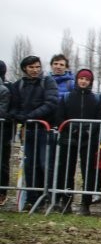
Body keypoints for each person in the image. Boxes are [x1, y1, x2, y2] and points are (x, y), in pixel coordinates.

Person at [8, 56, 59, 209]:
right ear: (25, 69)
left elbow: (51, 103)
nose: (35, 70)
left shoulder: (48, 82)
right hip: (28, 131)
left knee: (45, 164)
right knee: (29, 165)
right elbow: (14, 106)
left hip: (45, 129)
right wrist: (16, 116)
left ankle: (47, 197)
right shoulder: (19, 85)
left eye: (37, 67)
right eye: (31, 67)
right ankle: (32, 198)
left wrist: (29, 116)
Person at [53, 68, 101, 215]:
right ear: (77, 79)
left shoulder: (96, 99)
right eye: (81, 78)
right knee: (67, 171)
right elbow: (60, 117)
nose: (84, 81)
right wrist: (72, 128)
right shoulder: (67, 97)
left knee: (88, 172)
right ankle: (66, 201)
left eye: (87, 79)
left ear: (90, 82)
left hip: (88, 140)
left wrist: (88, 131)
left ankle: (85, 204)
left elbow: (100, 119)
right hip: (69, 139)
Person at [0, 61, 12, 207]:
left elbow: (3, 111)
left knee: (2, 163)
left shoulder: (4, 90)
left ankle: (2, 192)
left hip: (3, 133)